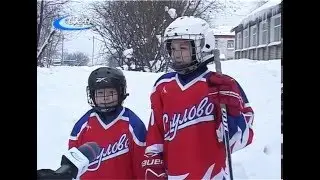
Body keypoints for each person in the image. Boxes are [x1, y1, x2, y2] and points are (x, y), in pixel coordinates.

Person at [143, 16, 255, 179]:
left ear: (204, 45)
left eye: (183, 47)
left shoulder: (221, 85)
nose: (177, 54)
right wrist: (153, 163)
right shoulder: (162, 86)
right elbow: (156, 132)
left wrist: (232, 114)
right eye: (173, 48)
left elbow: (242, 138)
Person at [68, 67, 147, 179]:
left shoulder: (134, 125)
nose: (105, 98)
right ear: (92, 94)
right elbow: (73, 167)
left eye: (111, 92)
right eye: (100, 93)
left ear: (120, 92)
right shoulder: (82, 126)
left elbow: (141, 166)